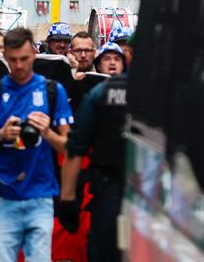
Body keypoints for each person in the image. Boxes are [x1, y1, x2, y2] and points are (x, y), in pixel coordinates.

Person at [0, 28, 73, 262]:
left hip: (41, 198)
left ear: (34, 54)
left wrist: (46, 132)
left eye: (24, 58)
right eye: (13, 59)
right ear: (5, 56)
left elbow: (70, 148)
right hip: (2, 198)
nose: (19, 66)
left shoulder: (53, 91)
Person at [58, 40, 130, 262]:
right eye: (107, 58)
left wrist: (67, 199)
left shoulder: (103, 93)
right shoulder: (168, 95)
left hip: (111, 193)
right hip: (149, 199)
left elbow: (75, 148)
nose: (112, 62)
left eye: (117, 57)